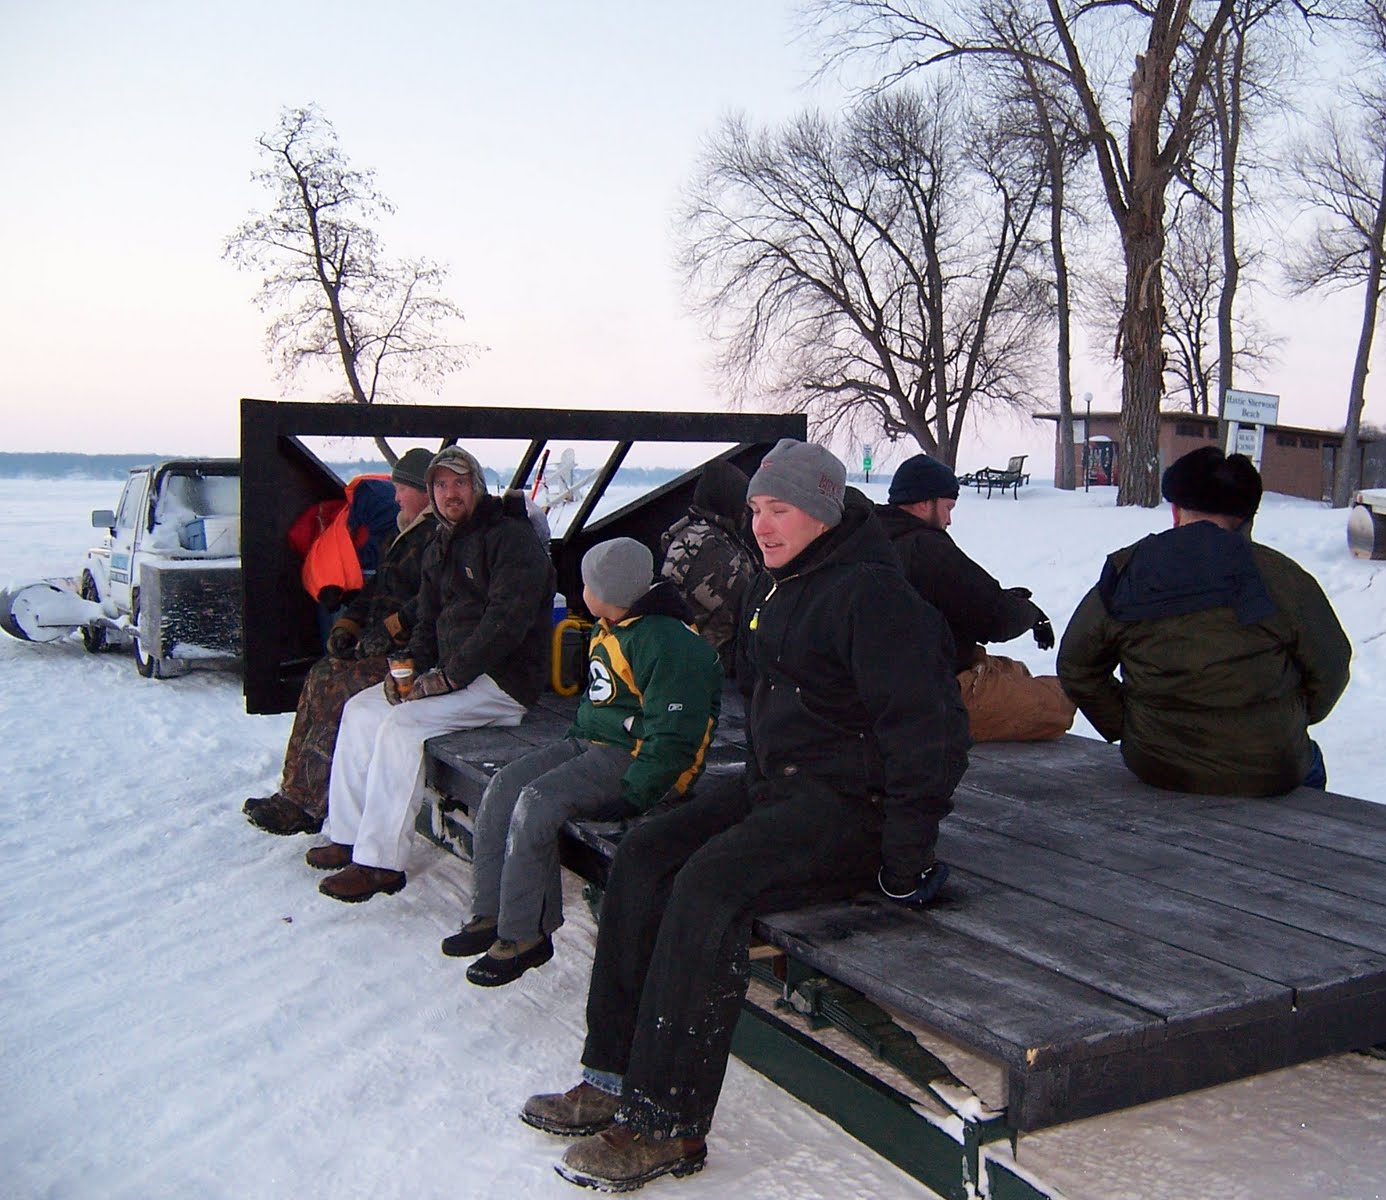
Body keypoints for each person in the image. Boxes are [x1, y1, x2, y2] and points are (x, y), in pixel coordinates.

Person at [521, 439, 969, 1192]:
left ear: (824, 510)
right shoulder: (779, 585)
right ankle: (610, 1076)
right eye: (757, 510)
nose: (763, 526)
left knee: (707, 886)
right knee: (647, 851)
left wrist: (905, 860)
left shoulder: (875, 598)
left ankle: (668, 1126)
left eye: (781, 510)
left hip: (849, 812)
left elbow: (929, 735)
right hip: (778, 787)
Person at [440, 537, 723, 988]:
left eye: (587, 584)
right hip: (593, 744)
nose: (581, 592)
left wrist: (637, 792)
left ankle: (525, 935)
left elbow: (675, 736)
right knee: (504, 787)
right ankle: (491, 911)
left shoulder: (668, 644)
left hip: (636, 761)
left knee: (538, 802)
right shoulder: (612, 625)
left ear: (609, 590)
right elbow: (600, 703)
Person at [307, 446, 555, 902]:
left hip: (502, 682)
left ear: (477, 487)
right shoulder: (443, 542)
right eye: (440, 485)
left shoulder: (511, 540)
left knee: (401, 726)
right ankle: (346, 832)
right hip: (453, 673)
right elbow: (427, 618)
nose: (449, 493)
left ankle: (379, 863)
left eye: (459, 483)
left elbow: (506, 623)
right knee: (362, 710)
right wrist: (412, 667)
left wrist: (447, 678)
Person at [1056, 446, 1351, 796]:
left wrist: (1128, 723)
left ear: (1177, 511)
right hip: (1269, 766)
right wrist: (1293, 717)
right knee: (1312, 764)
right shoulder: (1282, 577)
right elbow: (1331, 665)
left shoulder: (1130, 570)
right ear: (1246, 518)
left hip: (1156, 762)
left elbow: (1076, 665)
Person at [243, 447, 438, 835]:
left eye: (402, 488)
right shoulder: (401, 534)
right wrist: (349, 621)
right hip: (385, 645)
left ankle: (308, 803)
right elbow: (377, 588)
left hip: (416, 653)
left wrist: (390, 630)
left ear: (423, 491)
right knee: (319, 676)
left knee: (338, 687)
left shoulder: (436, 538)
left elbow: (433, 600)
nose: (395, 496)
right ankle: (295, 793)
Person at [875, 454, 1074, 742]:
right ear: (923, 502)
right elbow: (995, 618)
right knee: (1060, 701)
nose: (949, 520)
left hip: (897, 681)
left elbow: (967, 597)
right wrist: (1031, 613)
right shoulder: (926, 548)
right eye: (947, 508)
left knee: (1017, 672)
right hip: (926, 698)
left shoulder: (875, 538)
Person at [658, 460, 759, 673]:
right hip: (707, 663)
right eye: (743, 505)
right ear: (727, 500)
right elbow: (747, 605)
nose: (746, 514)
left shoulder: (707, 533)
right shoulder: (708, 545)